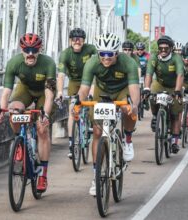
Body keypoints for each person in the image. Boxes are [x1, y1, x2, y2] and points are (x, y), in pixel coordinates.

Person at [77, 33, 139, 196]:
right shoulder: (91, 63)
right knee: (97, 132)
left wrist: (134, 105)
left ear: (116, 53)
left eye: (109, 54)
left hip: (122, 90)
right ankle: (96, 176)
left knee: (128, 109)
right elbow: (84, 88)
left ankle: (127, 139)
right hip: (102, 91)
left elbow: (134, 89)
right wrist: (78, 103)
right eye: (102, 54)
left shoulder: (128, 63)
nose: (105, 58)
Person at [0, 33, 56, 193]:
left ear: (39, 50)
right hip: (26, 89)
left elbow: (49, 94)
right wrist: (1, 110)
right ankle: (19, 142)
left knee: (42, 129)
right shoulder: (14, 63)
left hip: (43, 92)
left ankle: (43, 174)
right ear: (22, 50)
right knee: (14, 110)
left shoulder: (48, 63)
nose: (30, 53)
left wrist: (45, 115)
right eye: (26, 50)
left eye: (34, 50)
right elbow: (6, 92)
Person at [56, 28, 97, 158]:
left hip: (90, 80)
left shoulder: (91, 49)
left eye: (79, 39)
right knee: (72, 109)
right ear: (70, 41)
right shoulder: (65, 54)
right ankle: (71, 143)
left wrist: (92, 88)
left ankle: (91, 126)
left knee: (92, 106)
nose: (77, 42)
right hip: (74, 81)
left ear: (84, 41)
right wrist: (59, 92)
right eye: (74, 39)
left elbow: (98, 65)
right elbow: (61, 75)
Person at [143, 35, 184, 154]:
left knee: (175, 114)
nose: (163, 51)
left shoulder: (177, 58)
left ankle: (175, 141)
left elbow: (180, 75)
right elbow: (149, 74)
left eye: (166, 48)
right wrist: (146, 88)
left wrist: (177, 91)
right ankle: (156, 116)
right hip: (159, 84)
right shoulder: (154, 57)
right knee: (152, 97)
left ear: (171, 48)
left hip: (174, 86)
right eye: (161, 48)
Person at [135, 42, 151, 110]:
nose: (140, 51)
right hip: (137, 72)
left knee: (147, 86)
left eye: (141, 49)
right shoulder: (134, 54)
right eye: (138, 49)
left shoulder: (147, 55)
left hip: (145, 73)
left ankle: (146, 100)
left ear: (144, 49)